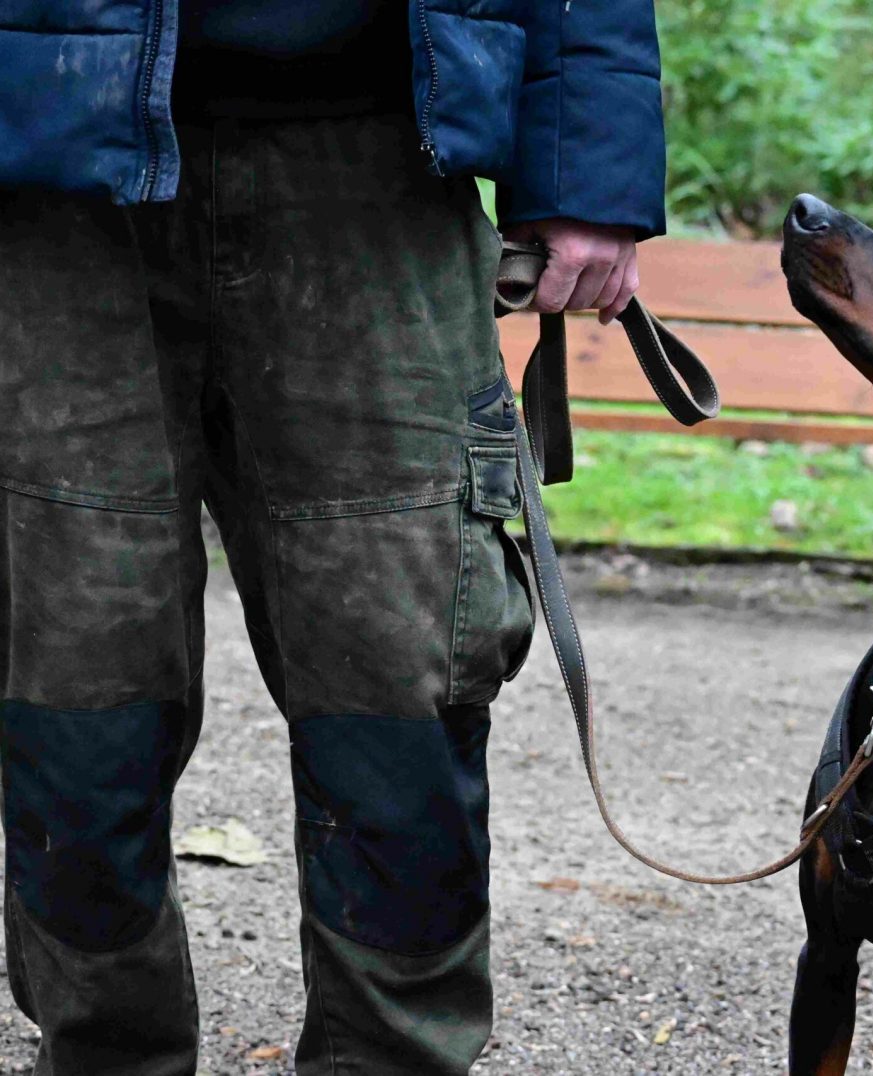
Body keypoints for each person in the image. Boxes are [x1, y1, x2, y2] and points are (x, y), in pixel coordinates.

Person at [0, 2, 665, 1071]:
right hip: (46, 170)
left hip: (381, 164)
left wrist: (587, 163)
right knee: (71, 696)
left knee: (400, 682)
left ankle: (389, 1057)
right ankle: (104, 1053)